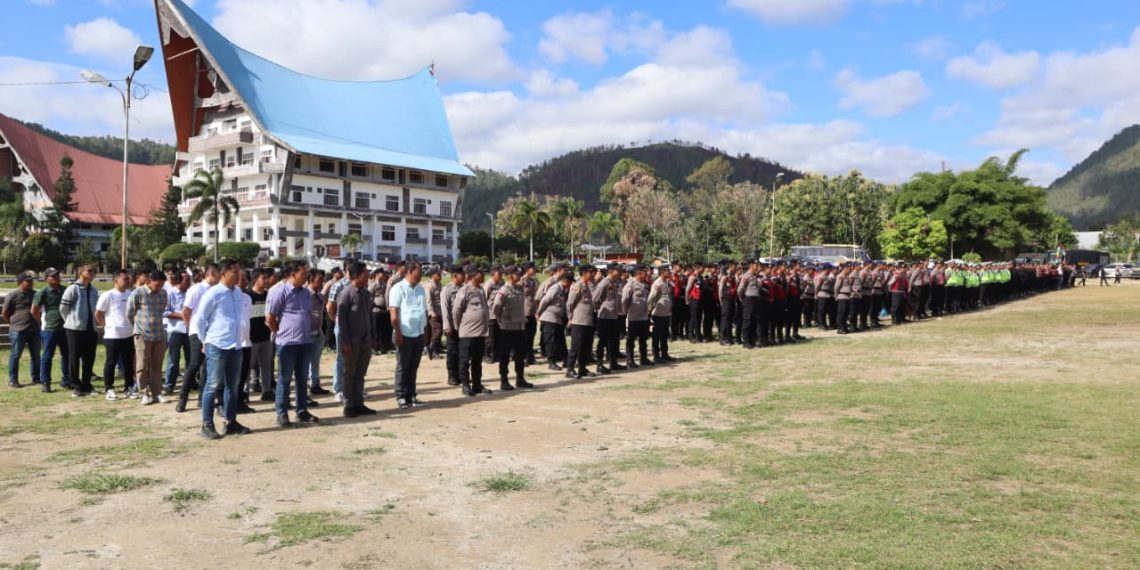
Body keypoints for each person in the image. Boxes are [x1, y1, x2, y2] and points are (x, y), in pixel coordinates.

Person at [196, 259, 252, 439]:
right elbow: (199, 319)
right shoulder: (213, 293)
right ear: (223, 274)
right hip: (217, 345)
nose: (238, 275)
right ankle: (207, 424)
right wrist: (204, 341)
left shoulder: (238, 292)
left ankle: (231, 422)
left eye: (239, 271)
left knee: (233, 386)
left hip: (236, 345)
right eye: (234, 272)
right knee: (212, 385)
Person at [267, 260, 319, 428]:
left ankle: (302, 411)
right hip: (287, 343)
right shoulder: (280, 291)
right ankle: (282, 412)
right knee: (284, 379)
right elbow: (270, 317)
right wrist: (280, 332)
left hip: (305, 341)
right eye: (303, 273)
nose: (306, 276)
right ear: (292, 274)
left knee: (302, 378)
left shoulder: (306, 293)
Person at [176, 264, 220, 413]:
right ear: (212, 274)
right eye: (219, 274)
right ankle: (183, 398)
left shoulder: (217, 290)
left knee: (207, 367)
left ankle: (202, 398)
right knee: (194, 364)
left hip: (211, 333)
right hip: (197, 332)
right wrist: (192, 329)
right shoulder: (197, 289)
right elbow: (186, 311)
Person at [337, 262, 377, 418]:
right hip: (351, 342)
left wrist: (372, 336)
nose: (367, 276)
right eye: (365, 273)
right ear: (358, 275)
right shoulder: (346, 294)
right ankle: (348, 405)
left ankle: (359, 403)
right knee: (349, 373)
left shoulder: (366, 294)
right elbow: (342, 322)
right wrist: (345, 342)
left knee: (360, 373)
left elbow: (369, 316)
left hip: (365, 341)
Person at [389, 261, 428, 408]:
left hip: (418, 332)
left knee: (413, 366)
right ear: (410, 271)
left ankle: (411, 395)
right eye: (419, 271)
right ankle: (401, 396)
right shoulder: (398, 288)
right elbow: (394, 313)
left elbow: (423, 311)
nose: (421, 274)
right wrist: (398, 333)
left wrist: (425, 331)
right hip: (404, 333)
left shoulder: (420, 289)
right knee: (403, 366)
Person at [127, 270, 169, 405]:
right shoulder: (138, 293)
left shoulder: (163, 293)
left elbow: (162, 310)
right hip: (143, 334)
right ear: (149, 282)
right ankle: (143, 393)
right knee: (142, 364)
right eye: (157, 285)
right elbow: (129, 313)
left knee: (157, 365)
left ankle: (157, 393)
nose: (159, 287)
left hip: (159, 334)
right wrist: (138, 326)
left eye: (162, 285)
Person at [96, 270, 136, 400]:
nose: (128, 281)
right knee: (111, 362)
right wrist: (106, 326)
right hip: (112, 335)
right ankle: (109, 389)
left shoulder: (131, 294)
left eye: (128, 279)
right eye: (125, 279)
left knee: (128, 363)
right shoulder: (108, 295)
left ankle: (129, 387)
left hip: (128, 334)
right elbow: (98, 314)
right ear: (116, 280)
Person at [60, 264, 99, 397]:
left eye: (93, 271)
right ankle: (76, 386)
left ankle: (87, 385)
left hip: (90, 328)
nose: (92, 273)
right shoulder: (72, 289)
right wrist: (71, 321)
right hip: (75, 329)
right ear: (80, 272)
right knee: (74, 357)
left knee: (89, 358)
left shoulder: (94, 290)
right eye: (89, 271)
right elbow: (63, 309)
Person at [492, 267, 533, 390]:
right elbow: (496, 307)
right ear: (510, 276)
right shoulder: (504, 290)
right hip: (507, 327)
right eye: (517, 274)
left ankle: (520, 379)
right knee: (505, 356)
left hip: (520, 327)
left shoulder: (519, 288)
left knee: (520, 354)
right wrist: (500, 320)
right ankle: (504, 380)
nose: (520, 276)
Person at [454, 267, 490, 396]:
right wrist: (459, 327)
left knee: (477, 360)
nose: (483, 276)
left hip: (480, 332)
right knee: (464, 360)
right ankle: (465, 385)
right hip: (468, 332)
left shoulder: (481, 290)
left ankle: (477, 385)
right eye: (481, 274)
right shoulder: (464, 290)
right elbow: (457, 311)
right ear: (474, 275)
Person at [32, 268, 69, 392]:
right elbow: (34, 310)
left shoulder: (65, 290)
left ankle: (66, 380)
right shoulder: (43, 292)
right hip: (49, 328)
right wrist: (41, 322)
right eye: (53, 276)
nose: (57, 277)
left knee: (67, 355)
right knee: (47, 356)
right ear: (46, 278)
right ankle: (45, 382)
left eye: (57, 275)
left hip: (65, 327)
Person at [4, 272, 41, 389]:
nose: (31, 283)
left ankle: (36, 378)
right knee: (15, 355)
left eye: (31, 281)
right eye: (28, 281)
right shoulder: (13, 295)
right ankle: (13, 380)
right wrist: (12, 324)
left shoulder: (35, 294)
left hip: (34, 329)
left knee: (36, 355)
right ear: (20, 282)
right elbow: (5, 312)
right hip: (18, 330)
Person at [246, 268, 275, 402]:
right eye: (263, 278)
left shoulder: (269, 295)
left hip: (266, 337)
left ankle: (267, 391)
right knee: (248, 366)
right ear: (254, 280)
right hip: (251, 338)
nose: (267, 281)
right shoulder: (247, 296)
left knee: (267, 365)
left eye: (267, 278)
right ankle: (244, 392)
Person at [565, 265, 597, 380]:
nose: (592, 274)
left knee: (586, 347)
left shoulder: (587, 286)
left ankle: (582, 368)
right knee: (576, 346)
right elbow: (570, 304)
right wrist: (570, 318)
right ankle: (570, 369)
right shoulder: (577, 285)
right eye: (590, 272)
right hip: (578, 321)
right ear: (584, 273)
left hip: (588, 321)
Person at [592, 264, 625, 374]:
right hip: (604, 316)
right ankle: (599, 364)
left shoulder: (614, 283)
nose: (620, 272)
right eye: (618, 270)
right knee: (603, 341)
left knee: (614, 341)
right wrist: (599, 309)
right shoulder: (604, 283)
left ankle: (613, 362)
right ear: (611, 271)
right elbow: (594, 299)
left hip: (614, 315)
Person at [163, 271, 191, 396]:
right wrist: (183, 316)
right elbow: (166, 312)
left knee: (191, 359)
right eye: (186, 280)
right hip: (175, 330)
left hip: (190, 330)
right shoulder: (170, 293)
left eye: (189, 279)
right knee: (173, 359)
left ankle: (189, 383)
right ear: (179, 280)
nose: (189, 282)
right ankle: (169, 385)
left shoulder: (191, 293)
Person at [537, 270, 572, 371]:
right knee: (550, 341)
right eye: (570, 282)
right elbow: (545, 300)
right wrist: (539, 312)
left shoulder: (563, 289)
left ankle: (566, 360)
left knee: (560, 340)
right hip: (549, 318)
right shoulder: (555, 288)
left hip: (558, 318)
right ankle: (551, 362)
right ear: (566, 281)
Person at [325, 269, 351, 404]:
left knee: (354, 358)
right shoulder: (338, 285)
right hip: (342, 326)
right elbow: (330, 306)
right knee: (341, 357)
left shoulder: (357, 284)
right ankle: (338, 389)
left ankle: (352, 389)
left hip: (355, 326)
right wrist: (336, 320)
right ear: (348, 270)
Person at [440, 265, 466, 386]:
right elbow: (445, 309)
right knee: (452, 352)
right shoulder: (447, 290)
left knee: (463, 352)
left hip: (464, 326)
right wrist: (447, 326)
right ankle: (452, 376)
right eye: (462, 274)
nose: (464, 276)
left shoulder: (465, 288)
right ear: (455, 276)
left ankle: (462, 375)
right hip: (452, 327)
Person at [622, 265, 652, 367]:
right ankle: (630, 360)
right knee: (631, 340)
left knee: (643, 340)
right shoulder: (630, 285)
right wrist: (626, 312)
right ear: (639, 273)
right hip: (634, 317)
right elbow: (625, 300)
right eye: (644, 271)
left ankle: (644, 358)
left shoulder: (644, 285)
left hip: (643, 317)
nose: (646, 273)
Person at [306, 269, 327, 396]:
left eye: (322, 280)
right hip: (307, 334)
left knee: (315, 361)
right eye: (319, 280)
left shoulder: (319, 295)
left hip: (318, 332)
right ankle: (305, 388)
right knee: (305, 362)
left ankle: (315, 384)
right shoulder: (305, 295)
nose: (321, 283)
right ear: (311, 280)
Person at [647, 266, 675, 362]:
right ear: (662, 272)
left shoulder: (666, 282)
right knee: (657, 335)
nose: (669, 273)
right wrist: (649, 310)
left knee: (664, 335)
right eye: (668, 271)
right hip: (658, 313)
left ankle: (664, 354)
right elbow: (651, 298)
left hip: (665, 313)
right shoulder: (657, 283)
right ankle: (656, 356)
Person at [368, 269, 392, 355]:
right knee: (376, 330)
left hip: (384, 311)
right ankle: (375, 348)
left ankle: (383, 348)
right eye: (382, 273)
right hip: (376, 310)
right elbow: (369, 296)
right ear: (377, 275)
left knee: (384, 330)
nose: (384, 275)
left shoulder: (384, 284)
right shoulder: (373, 285)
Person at [483, 267, 504, 363]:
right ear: (493, 275)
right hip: (490, 314)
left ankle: (496, 354)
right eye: (499, 274)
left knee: (498, 335)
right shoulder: (488, 285)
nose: (501, 276)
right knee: (490, 336)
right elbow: (484, 299)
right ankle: (487, 354)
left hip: (500, 314)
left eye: (501, 274)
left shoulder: (502, 283)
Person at [423, 267, 444, 360]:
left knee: (439, 331)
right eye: (438, 274)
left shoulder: (439, 284)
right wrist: (431, 312)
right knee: (437, 330)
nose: (440, 276)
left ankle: (435, 349)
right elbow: (428, 300)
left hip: (440, 311)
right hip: (433, 312)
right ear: (432, 276)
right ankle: (431, 349)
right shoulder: (429, 286)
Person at [521, 263, 539, 365]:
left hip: (532, 311)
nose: (535, 270)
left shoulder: (534, 280)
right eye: (533, 268)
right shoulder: (522, 281)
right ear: (528, 269)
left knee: (531, 335)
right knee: (525, 336)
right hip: (524, 311)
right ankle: (523, 357)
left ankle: (530, 356)